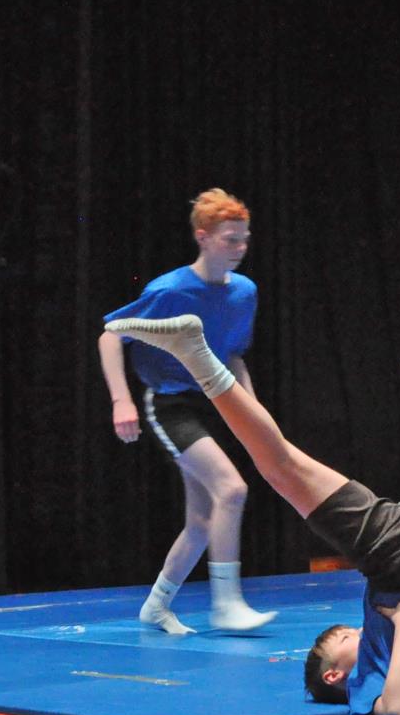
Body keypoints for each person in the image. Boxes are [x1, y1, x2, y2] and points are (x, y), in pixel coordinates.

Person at [102, 309, 400, 715]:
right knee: (289, 463)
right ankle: (193, 351)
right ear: (333, 675)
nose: (355, 631)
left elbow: (399, 704)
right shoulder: (381, 679)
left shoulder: (369, 679)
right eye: (343, 637)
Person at [97, 188, 275, 634]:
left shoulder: (245, 292)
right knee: (231, 490)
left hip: (215, 399)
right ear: (203, 237)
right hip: (170, 403)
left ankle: (156, 606)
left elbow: (233, 355)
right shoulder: (170, 290)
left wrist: (253, 411)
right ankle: (226, 603)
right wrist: (121, 399)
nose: (240, 248)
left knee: (199, 521)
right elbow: (111, 336)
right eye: (230, 239)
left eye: (245, 239)